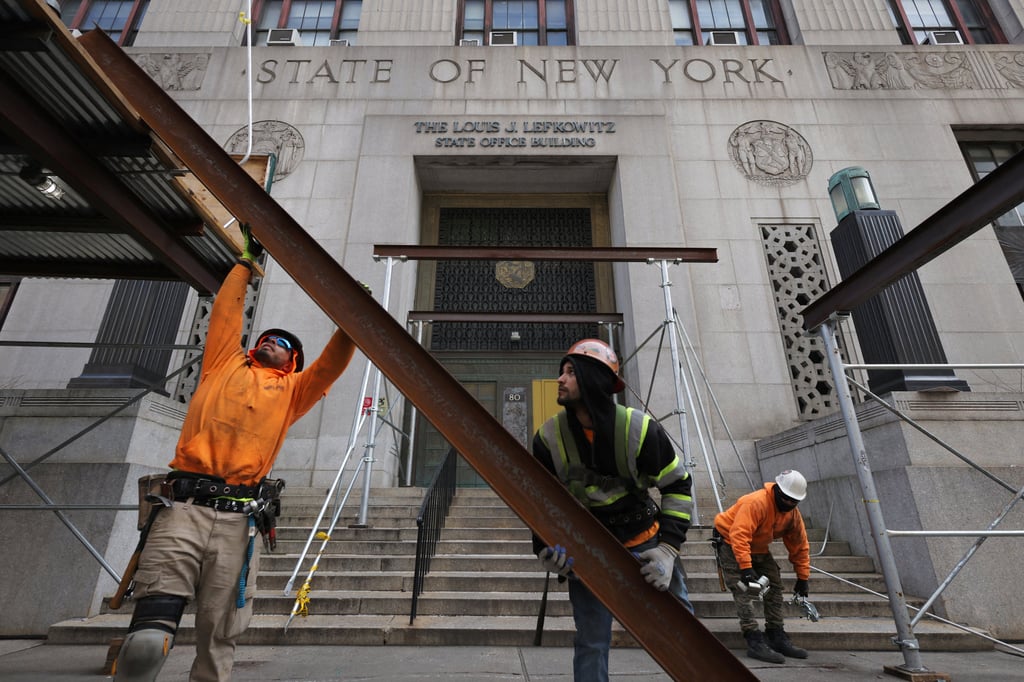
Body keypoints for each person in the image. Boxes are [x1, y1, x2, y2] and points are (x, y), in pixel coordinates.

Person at [113, 227, 357, 681]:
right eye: (268, 337)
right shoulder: (223, 363)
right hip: (181, 511)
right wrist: (245, 263)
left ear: (293, 365)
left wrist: (354, 318)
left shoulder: (294, 393)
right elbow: (226, 310)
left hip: (238, 524)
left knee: (218, 644)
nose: (274, 342)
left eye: (286, 344)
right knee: (146, 644)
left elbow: (332, 362)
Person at [531, 339, 694, 682]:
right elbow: (541, 502)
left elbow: (677, 486)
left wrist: (667, 550)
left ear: (593, 379)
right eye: (561, 371)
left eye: (570, 372)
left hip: (646, 544)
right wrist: (545, 547)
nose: (560, 379)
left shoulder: (641, 429)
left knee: (685, 637)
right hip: (590, 549)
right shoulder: (548, 438)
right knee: (591, 643)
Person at [712, 469, 811, 664]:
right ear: (777, 491)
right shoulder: (756, 503)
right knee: (743, 589)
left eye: (794, 501)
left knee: (773, 587)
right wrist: (746, 569)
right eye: (787, 499)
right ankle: (753, 639)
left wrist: (803, 577)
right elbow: (739, 535)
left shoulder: (792, 515)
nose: (790, 504)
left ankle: (776, 634)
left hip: (759, 546)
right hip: (731, 543)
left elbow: (800, 545)